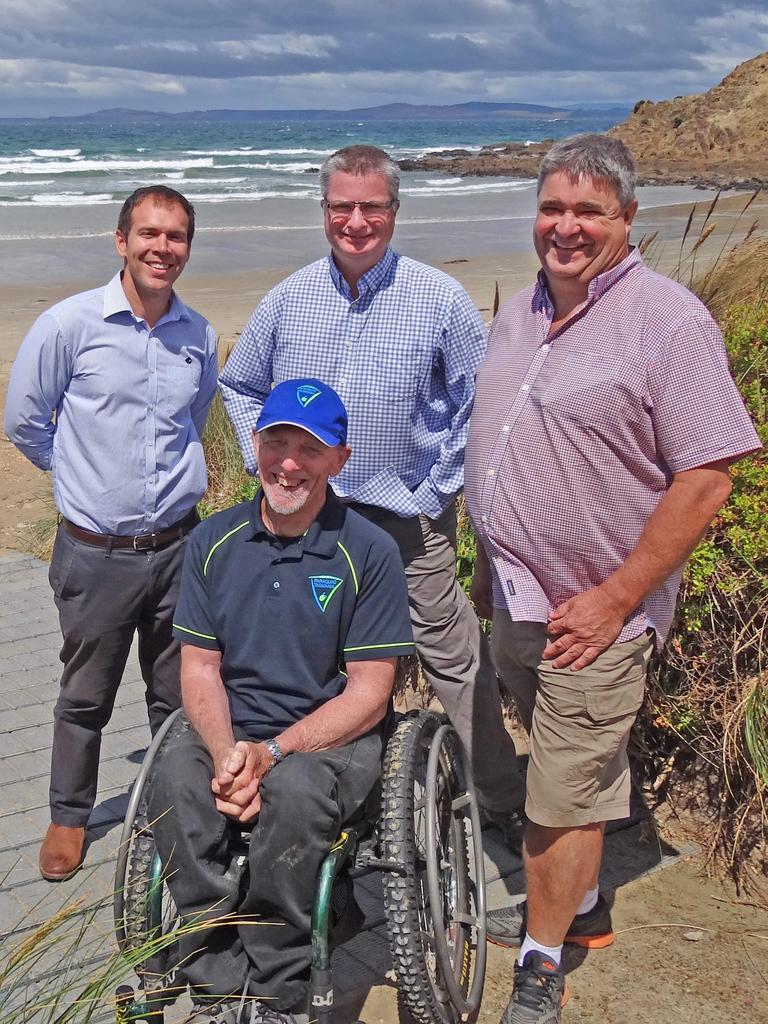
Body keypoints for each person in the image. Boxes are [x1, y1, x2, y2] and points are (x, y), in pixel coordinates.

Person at [464, 134, 761, 1024]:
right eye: (553, 207)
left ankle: (544, 958)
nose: (566, 226)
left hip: (597, 612)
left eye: (589, 211)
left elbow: (709, 474)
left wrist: (617, 598)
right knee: (570, 766)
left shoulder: (669, 320)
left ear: (627, 220)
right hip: (514, 592)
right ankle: (584, 896)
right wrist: (487, 564)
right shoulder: (518, 312)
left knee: (559, 792)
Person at [218, 143, 522, 823]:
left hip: (405, 521)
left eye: (372, 207)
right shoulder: (288, 298)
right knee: (309, 653)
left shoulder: (438, 298)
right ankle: (331, 796)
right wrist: (263, 467)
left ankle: (503, 805)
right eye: (342, 206)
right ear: (324, 210)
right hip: (308, 520)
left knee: (452, 657)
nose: (357, 221)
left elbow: (480, 403)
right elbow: (238, 387)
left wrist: (437, 489)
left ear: (394, 210)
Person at [147, 378, 414, 1024]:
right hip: (230, 726)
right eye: (276, 442)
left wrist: (271, 752)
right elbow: (201, 669)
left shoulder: (367, 551)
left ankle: (275, 990)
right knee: (176, 783)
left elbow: (371, 692)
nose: (288, 462)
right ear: (255, 446)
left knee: (293, 800)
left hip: (327, 736)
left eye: (309, 447)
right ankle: (214, 981)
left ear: (339, 460)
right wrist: (224, 755)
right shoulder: (213, 542)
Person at [4, 186, 218, 882]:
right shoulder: (69, 325)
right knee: (86, 693)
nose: (164, 248)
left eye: (177, 236)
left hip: (180, 548)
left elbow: (196, 416)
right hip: (96, 554)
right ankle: (70, 815)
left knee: (178, 692)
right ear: (121, 240)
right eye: (150, 233)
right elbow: (26, 421)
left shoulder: (198, 333)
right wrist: (80, 479)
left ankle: (171, 806)